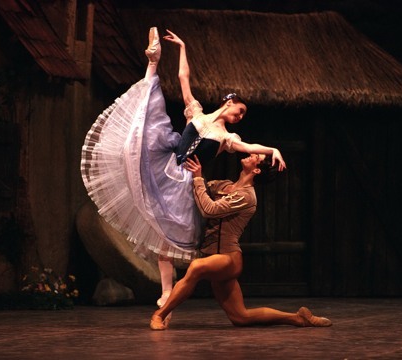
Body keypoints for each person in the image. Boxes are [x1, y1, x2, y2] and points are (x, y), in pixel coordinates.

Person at [80, 27, 287, 308]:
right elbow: (182, 77)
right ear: (230, 102)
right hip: (166, 166)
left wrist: (272, 149)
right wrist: (183, 47)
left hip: (184, 182)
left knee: (165, 239)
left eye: (242, 116)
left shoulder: (228, 138)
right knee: (143, 129)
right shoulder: (196, 112)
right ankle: (153, 62)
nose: (240, 117)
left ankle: (166, 292)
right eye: (240, 110)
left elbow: (251, 148)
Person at [150, 154, 332, 330]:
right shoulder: (226, 185)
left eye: (256, 157)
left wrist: (197, 179)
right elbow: (197, 191)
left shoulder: (246, 196)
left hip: (228, 258)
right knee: (240, 317)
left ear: (257, 170)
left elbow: (209, 210)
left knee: (196, 267)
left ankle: (159, 314)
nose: (251, 155)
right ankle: (297, 318)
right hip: (213, 255)